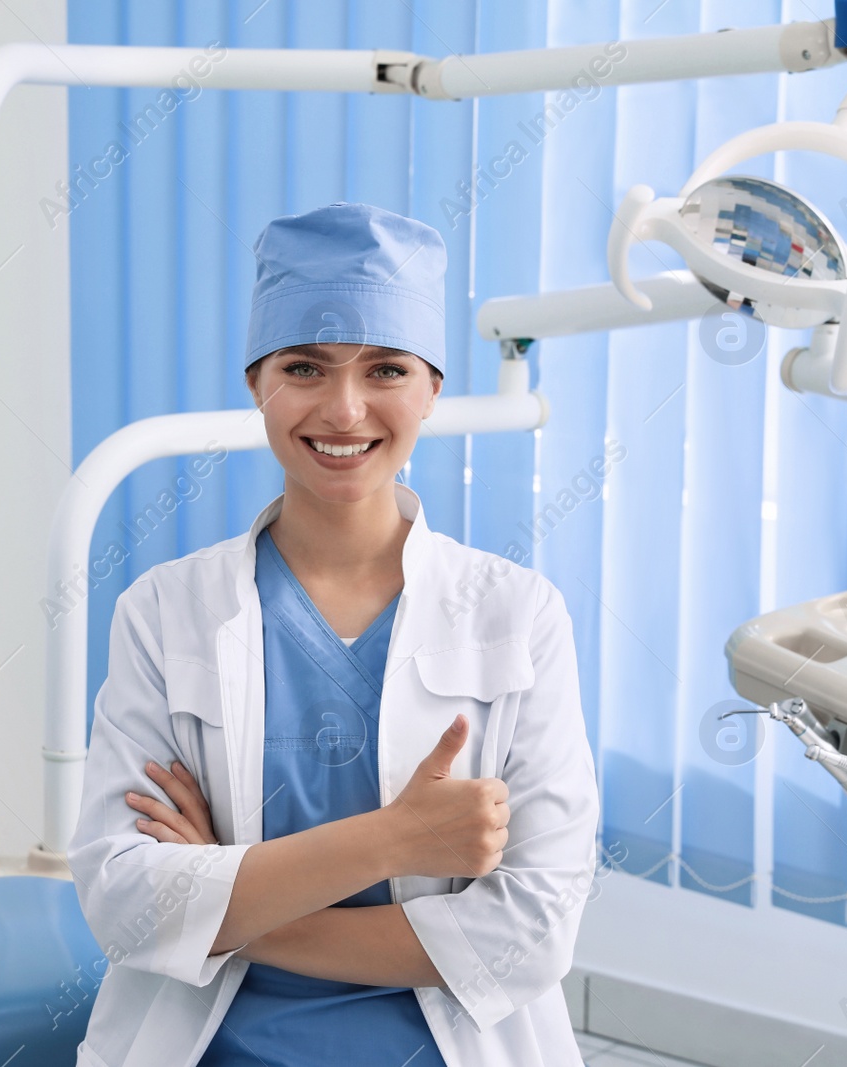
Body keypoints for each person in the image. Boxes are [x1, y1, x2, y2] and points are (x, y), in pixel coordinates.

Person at [67, 202, 600, 1067]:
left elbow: (529, 937)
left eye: (386, 369)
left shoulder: (518, 615)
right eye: (306, 366)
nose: (345, 409)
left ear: (432, 389)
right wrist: (397, 841)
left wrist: (230, 899)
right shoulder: (166, 611)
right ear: (258, 384)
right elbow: (124, 902)